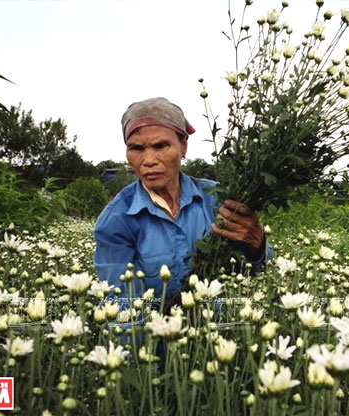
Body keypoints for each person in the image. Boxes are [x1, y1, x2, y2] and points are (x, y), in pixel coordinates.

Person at [93, 97, 271, 303]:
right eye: (137, 149)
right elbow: (124, 309)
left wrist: (256, 245)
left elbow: (263, 273)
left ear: (183, 146)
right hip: (159, 332)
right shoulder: (116, 220)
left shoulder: (219, 198)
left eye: (160, 146)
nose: (149, 161)